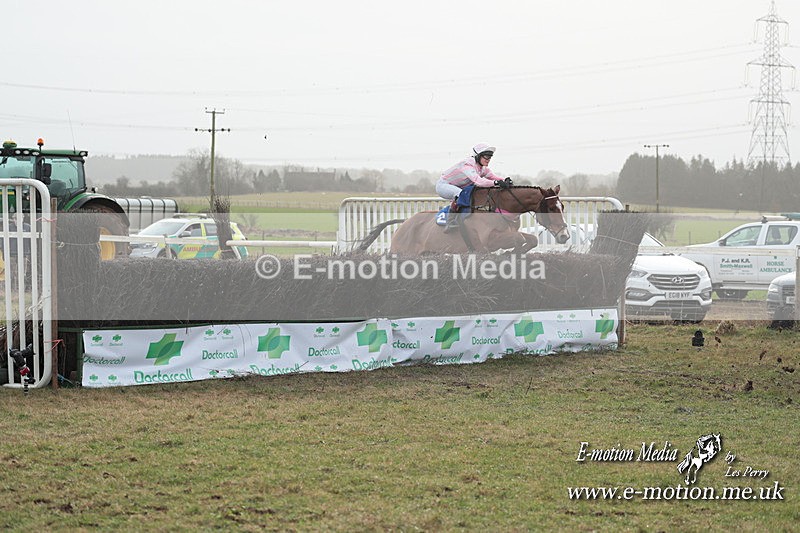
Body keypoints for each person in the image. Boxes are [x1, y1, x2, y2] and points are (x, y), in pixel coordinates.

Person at [436, 143, 510, 230]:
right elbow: (479, 181)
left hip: (458, 186)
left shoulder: (482, 168)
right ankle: (450, 220)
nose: (488, 159)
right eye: (486, 156)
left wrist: (505, 180)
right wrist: (496, 183)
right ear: (478, 156)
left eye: (490, 156)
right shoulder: (467, 165)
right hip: (444, 185)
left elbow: (493, 177)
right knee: (460, 194)